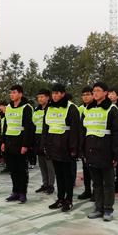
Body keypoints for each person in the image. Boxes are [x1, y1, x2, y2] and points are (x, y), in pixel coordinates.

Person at [81, 82, 118, 221]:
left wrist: (116, 154)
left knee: (108, 183)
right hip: (90, 150)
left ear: (105, 93)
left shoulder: (112, 109)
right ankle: (98, 208)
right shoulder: (87, 109)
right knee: (96, 183)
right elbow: (83, 131)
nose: (95, 93)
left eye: (98, 90)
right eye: (94, 91)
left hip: (106, 151)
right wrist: (83, 150)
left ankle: (108, 209)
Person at [42, 83, 81, 212]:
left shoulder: (71, 108)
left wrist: (73, 148)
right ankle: (60, 199)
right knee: (59, 175)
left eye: (57, 93)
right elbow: (45, 128)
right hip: (53, 146)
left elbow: (75, 130)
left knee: (67, 176)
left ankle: (68, 200)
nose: (55, 95)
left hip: (66, 148)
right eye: (53, 93)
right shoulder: (49, 108)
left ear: (63, 94)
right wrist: (45, 144)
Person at [1, 84, 34, 203]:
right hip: (9, 141)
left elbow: (28, 128)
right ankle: (15, 192)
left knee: (21, 169)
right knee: (13, 169)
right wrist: (3, 141)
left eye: (14, 92)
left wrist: (25, 145)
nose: (12, 95)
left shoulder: (26, 107)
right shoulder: (8, 107)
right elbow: (6, 125)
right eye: (11, 92)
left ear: (20, 94)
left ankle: (22, 193)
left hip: (20, 142)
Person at [33, 89, 55, 195]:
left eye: (42, 97)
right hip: (37, 138)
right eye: (39, 97)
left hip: (47, 137)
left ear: (48, 97)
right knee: (41, 163)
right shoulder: (36, 110)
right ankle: (45, 183)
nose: (40, 99)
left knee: (49, 163)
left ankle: (51, 185)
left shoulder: (51, 109)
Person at [77, 86, 94, 200]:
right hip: (85, 144)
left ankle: (96, 192)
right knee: (86, 170)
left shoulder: (97, 109)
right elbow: (81, 129)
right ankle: (87, 190)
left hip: (96, 144)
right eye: (83, 95)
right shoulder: (83, 109)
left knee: (95, 171)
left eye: (88, 94)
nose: (85, 97)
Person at [107, 87, 118, 194]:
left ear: (117, 96)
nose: (110, 96)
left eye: (112, 94)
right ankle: (111, 183)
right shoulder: (106, 107)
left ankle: (117, 184)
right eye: (109, 94)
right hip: (109, 139)